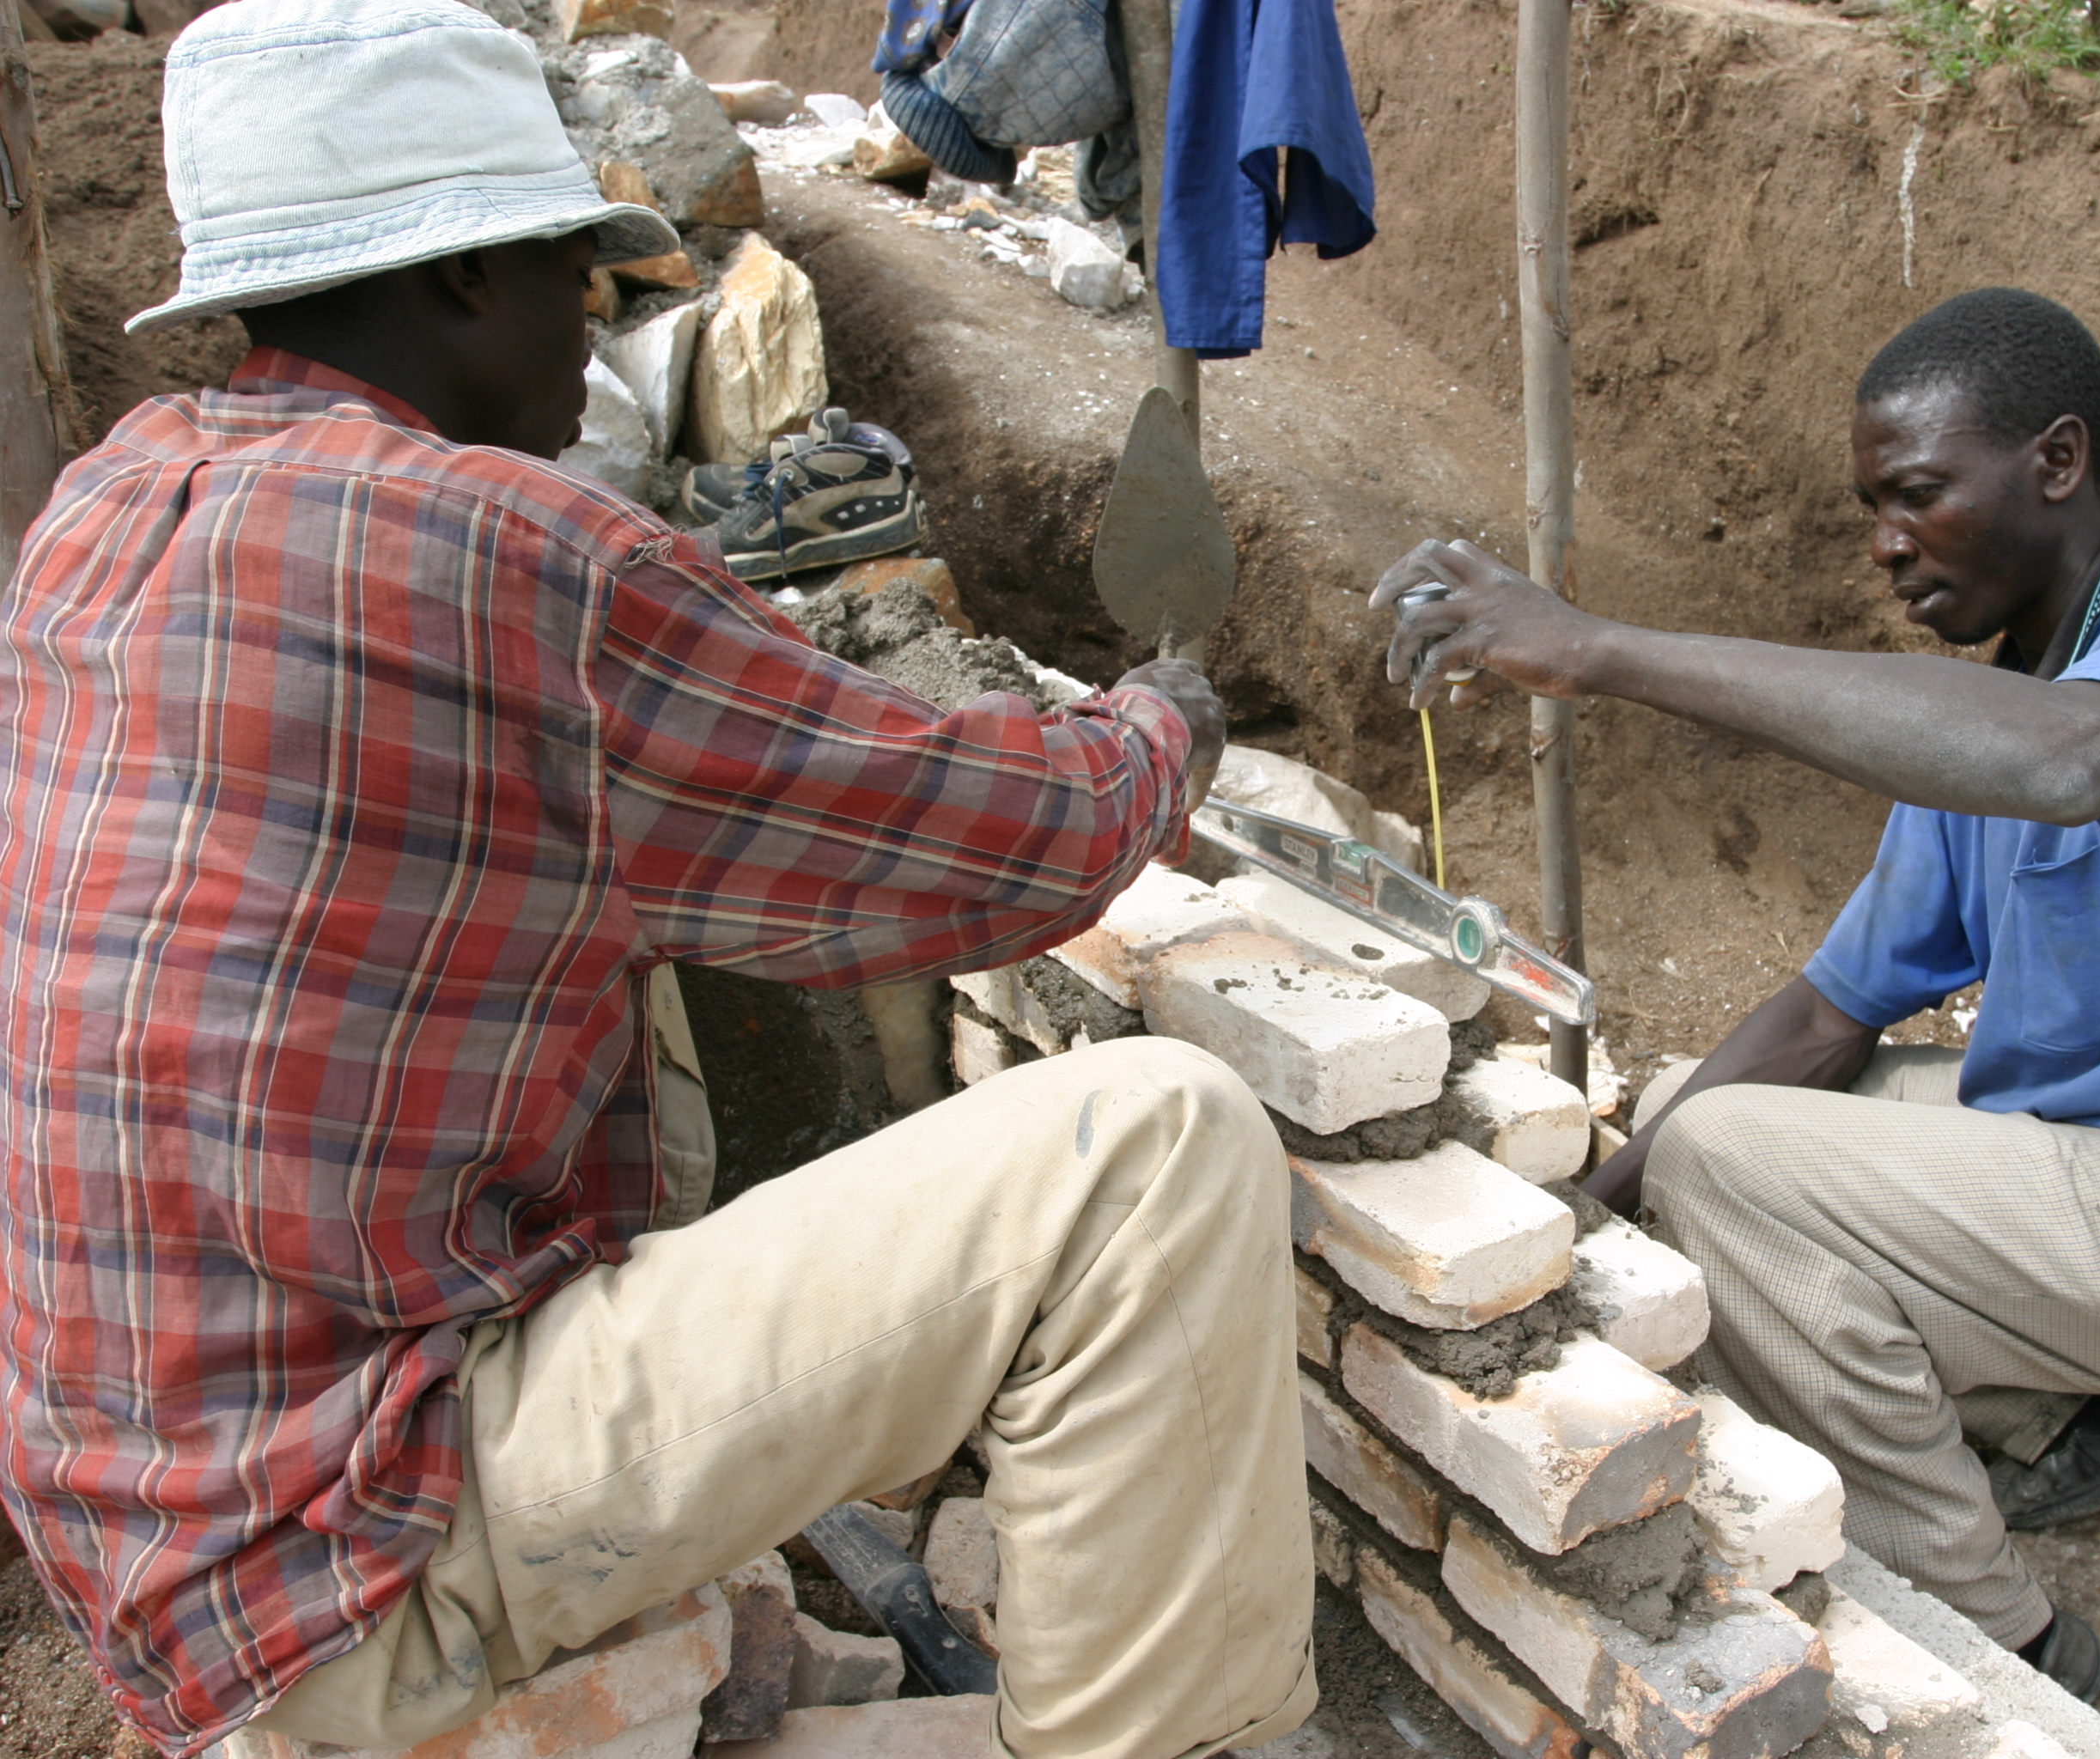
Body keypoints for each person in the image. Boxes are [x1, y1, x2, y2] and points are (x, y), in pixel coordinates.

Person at [0, 3, 1316, 1756]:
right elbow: (974, 854)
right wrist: (1152, 738)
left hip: (152, 1517)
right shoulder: (501, 555)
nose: (603, 315)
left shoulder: (108, 500)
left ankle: (670, 1616)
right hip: (348, 1551)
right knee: (1158, 1148)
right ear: (467, 282)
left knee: (601, 956)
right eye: (577, 268)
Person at [1373, 288, 2100, 1701]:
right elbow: (1826, 1019)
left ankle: (2004, 1634)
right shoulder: (1991, 725)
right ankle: (2069, 1409)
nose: (1887, 547)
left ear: (2058, 463)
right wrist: (1581, 1241)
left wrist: (1597, 651)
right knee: (1693, 1117)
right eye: (1870, 511)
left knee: (1737, 1163)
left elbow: (2071, 765)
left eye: (1917, 497)